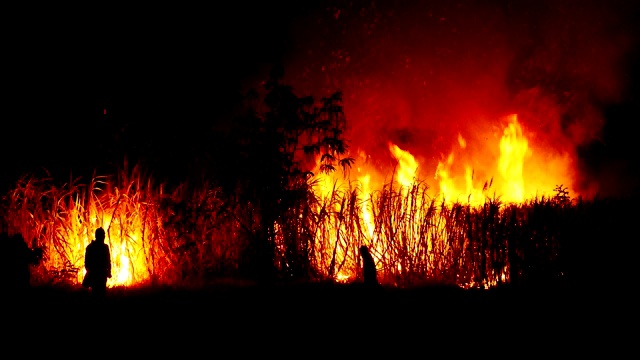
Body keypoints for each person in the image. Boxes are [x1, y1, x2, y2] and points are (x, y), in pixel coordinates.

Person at [82, 227, 112, 297]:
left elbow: (108, 261)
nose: (104, 237)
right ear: (98, 236)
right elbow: (87, 263)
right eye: (102, 235)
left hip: (99, 274)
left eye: (104, 235)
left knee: (98, 294)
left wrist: (108, 271)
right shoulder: (99, 247)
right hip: (97, 275)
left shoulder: (91, 247)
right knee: (98, 294)